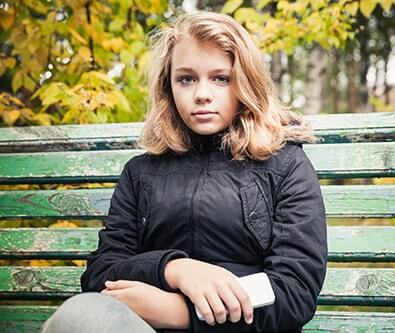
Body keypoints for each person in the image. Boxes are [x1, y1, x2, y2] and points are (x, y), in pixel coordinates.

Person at [42, 11, 327, 333]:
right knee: (81, 315)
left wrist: (179, 311)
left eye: (221, 78)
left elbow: (294, 292)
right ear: (168, 87)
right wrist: (175, 269)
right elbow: (101, 273)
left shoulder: (286, 165)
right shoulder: (141, 173)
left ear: (245, 83)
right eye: (186, 79)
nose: (202, 94)